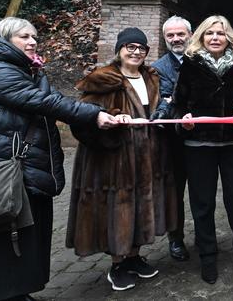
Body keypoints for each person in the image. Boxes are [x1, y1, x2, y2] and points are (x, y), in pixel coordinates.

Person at [0, 17, 118, 301]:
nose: (33, 42)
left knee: (27, 235)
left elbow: (52, 100)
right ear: (5, 39)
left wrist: (95, 114)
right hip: (0, 168)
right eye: (24, 37)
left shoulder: (26, 71)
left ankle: (19, 293)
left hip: (22, 167)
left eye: (34, 36)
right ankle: (5, 296)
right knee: (6, 237)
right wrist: (93, 114)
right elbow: (43, 102)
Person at [67, 27, 177, 291]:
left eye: (141, 48)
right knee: (119, 209)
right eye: (131, 47)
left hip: (148, 155)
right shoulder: (104, 79)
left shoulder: (151, 77)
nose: (136, 52)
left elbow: (158, 108)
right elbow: (83, 117)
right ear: (120, 50)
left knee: (141, 204)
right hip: (114, 159)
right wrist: (112, 117)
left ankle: (134, 256)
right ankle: (118, 264)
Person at [172, 15, 233, 283]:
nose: (215, 38)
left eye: (220, 33)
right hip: (199, 144)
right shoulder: (190, 65)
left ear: (229, 37)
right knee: (203, 201)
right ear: (201, 38)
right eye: (210, 34)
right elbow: (178, 103)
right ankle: (208, 254)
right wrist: (183, 121)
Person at [151, 15, 193, 261]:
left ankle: (205, 236)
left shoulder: (201, 59)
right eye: (171, 35)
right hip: (173, 142)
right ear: (165, 38)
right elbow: (164, 101)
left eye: (180, 34)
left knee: (201, 191)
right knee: (174, 192)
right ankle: (175, 239)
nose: (176, 39)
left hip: (199, 138)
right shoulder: (158, 68)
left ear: (190, 34)